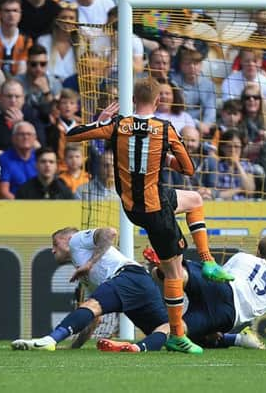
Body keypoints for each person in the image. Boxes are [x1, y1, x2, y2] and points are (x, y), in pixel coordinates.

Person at [66, 77, 233, 354]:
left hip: (134, 207)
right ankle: (177, 335)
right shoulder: (165, 129)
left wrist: (101, 119)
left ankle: (207, 261)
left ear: (133, 101)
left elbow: (72, 135)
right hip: (156, 210)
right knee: (174, 273)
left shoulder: (118, 125)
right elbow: (189, 168)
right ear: (158, 101)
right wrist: (167, 158)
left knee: (193, 200)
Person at [100, 235, 266, 351]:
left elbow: (220, 275)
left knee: (181, 274)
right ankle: (139, 348)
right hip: (226, 315)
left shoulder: (244, 258)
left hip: (224, 288)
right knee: (177, 329)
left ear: (258, 252)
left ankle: (167, 268)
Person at [11, 227, 170, 352]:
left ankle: (49, 340)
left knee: (90, 306)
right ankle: (138, 348)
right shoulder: (84, 274)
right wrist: (74, 347)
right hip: (141, 284)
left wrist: (90, 263)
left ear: (68, 238)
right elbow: (94, 318)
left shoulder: (76, 240)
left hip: (128, 275)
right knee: (168, 330)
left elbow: (109, 232)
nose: (53, 250)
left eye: (55, 243)